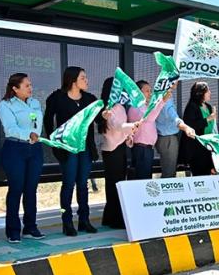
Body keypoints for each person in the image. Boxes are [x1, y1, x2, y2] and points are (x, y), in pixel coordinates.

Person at [44, 66, 98, 236]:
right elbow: (47, 120)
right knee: (68, 184)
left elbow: (98, 118)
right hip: (67, 149)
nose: (86, 80)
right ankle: (66, 222)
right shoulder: (57, 98)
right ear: (73, 80)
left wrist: (105, 116)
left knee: (83, 184)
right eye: (83, 77)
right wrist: (55, 144)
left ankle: (84, 220)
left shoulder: (90, 99)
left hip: (85, 148)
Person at [0, 73, 44, 243]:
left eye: (30, 85)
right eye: (26, 85)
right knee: (16, 189)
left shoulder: (35, 103)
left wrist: (34, 135)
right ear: (15, 89)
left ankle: (30, 227)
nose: (30, 88)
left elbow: (37, 125)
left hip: (35, 149)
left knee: (31, 189)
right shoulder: (5, 105)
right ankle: (13, 230)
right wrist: (28, 134)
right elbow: (10, 128)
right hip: (15, 148)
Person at [97, 77, 139, 229]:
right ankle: (114, 219)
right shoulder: (108, 108)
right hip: (112, 149)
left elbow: (122, 129)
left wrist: (129, 136)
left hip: (119, 147)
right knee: (114, 184)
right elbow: (117, 125)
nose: (122, 91)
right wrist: (133, 125)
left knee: (118, 183)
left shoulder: (119, 106)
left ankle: (110, 217)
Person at [126, 80, 172, 180]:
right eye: (147, 91)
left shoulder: (144, 106)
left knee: (145, 179)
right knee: (142, 180)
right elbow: (150, 118)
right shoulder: (135, 107)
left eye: (150, 91)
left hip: (147, 149)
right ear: (138, 92)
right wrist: (162, 101)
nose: (150, 93)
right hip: (141, 149)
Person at [180, 81, 216, 176]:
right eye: (208, 91)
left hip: (208, 146)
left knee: (208, 173)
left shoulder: (208, 106)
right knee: (199, 174)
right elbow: (190, 125)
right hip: (196, 148)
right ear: (200, 93)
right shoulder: (192, 106)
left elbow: (213, 125)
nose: (210, 93)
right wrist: (208, 119)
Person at [155, 93, 195, 178]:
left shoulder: (160, 95)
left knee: (168, 170)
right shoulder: (165, 96)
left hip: (164, 137)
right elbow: (174, 117)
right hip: (168, 138)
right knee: (169, 173)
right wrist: (186, 128)